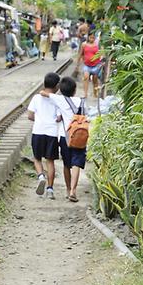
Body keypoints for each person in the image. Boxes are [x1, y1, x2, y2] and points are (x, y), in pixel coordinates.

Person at [41, 77, 86, 203]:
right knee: (76, 163)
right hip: (80, 135)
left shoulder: (60, 99)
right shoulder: (81, 101)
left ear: (61, 89)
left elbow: (43, 93)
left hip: (65, 137)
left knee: (67, 164)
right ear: (74, 90)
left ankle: (67, 190)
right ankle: (73, 190)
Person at [27, 72, 61, 201]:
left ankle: (41, 176)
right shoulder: (57, 100)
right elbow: (58, 118)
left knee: (37, 158)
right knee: (50, 161)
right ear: (57, 85)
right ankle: (50, 190)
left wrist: (40, 119)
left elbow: (30, 116)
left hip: (38, 131)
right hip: (51, 133)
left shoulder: (36, 98)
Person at [79, 31, 105, 98]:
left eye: (93, 38)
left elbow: (102, 54)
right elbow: (81, 54)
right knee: (86, 77)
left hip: (96, 65)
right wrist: (80, 61)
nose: (92, 39)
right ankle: (85, 94)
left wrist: (101, 61)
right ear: (88, 37)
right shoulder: (84, 44)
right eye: (90, 37)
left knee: (95, 80)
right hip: (86, 65)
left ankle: (95, 93)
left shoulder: (98, 45)